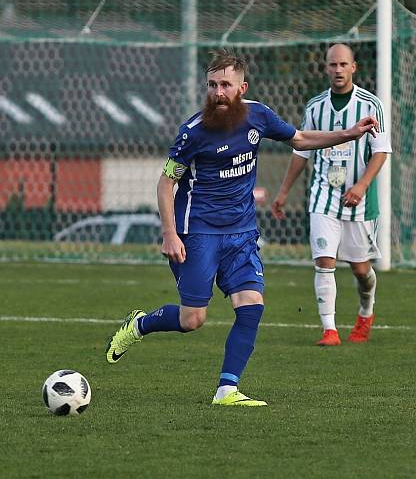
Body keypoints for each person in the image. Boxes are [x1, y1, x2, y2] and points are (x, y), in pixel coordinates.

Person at [105, 48, 379, 406]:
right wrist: (170, 234)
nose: (218, 93)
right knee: (192, 320)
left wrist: (348, 134)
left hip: (242, 233)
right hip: (197, 233)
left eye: (226, 85)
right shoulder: (193, 132)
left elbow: (299, 139)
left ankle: (226, 389)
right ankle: (139, 325)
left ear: (241, 87)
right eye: (212, 85)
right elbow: (165, 183)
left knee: (251, 306)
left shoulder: (258, 117)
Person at [271, 44, 390, 346]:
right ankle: (330, 330)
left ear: (353, 67)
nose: (337, 70)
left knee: (361, 270)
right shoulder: (315, 107)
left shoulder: (370, 105)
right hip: (323, 195)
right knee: (324, 261)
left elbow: (380, 152)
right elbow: (301, 150)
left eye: (343, 64)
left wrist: (361, 185)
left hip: (359, 200)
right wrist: (284, 192)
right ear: (325, 68)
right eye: (332, 65)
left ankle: (366, 311)